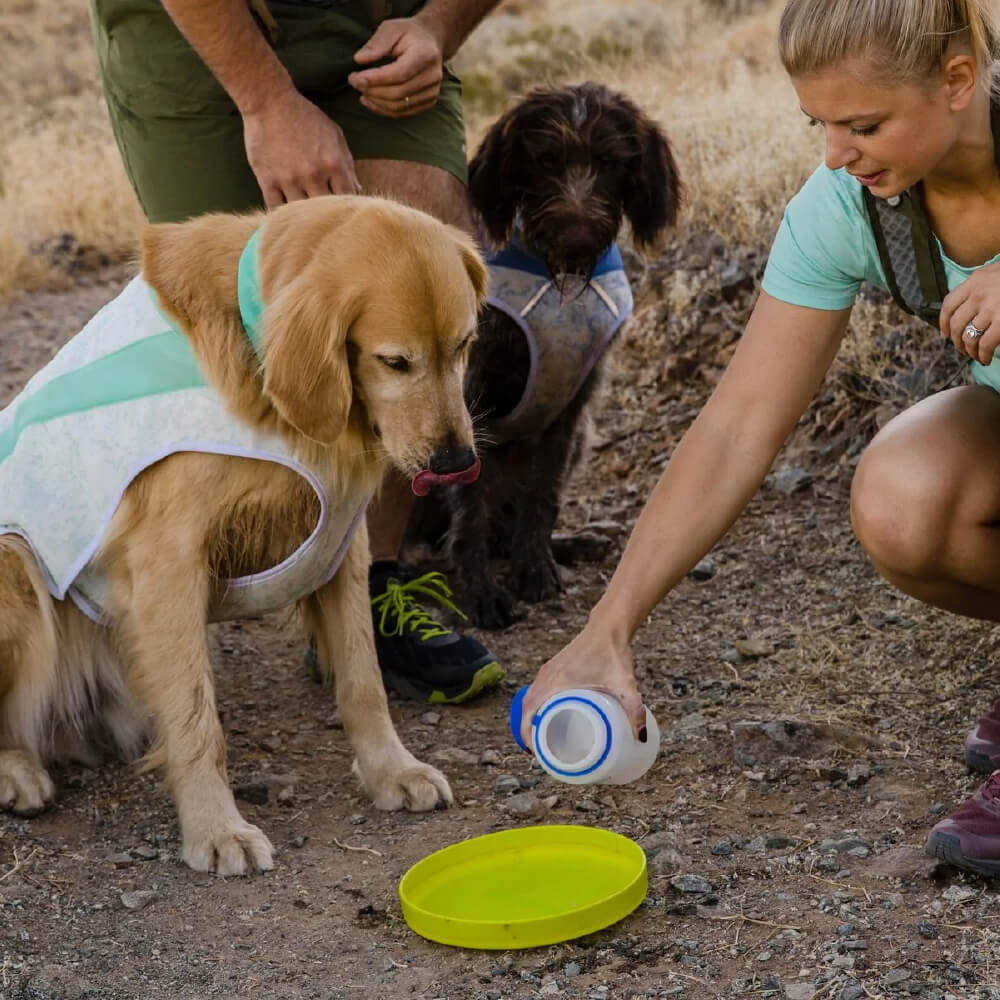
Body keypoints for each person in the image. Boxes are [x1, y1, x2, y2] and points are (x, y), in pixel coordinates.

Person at [521, 0, 1000, 879]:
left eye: (864, 125)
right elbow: (738, 425)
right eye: (818, 123)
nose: (833, 153)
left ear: (958, 83)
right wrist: (609, 625)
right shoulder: (849, 207)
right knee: (907, 500)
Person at [88, 0, 505, 705]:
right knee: (232, 318)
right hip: (202, 29)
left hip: (378, 26)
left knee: (420, 258)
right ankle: (168, 582)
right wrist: (266, 99)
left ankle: (368, 590)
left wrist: (437, 27)